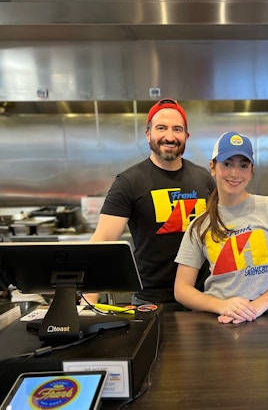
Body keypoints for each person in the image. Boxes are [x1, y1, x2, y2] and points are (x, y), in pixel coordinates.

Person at [89, 98, 215, 308]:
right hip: (150, 302)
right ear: (148, 134)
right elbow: (103, 241)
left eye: (177, 129)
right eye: (161, 128)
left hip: (202, 299)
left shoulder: (203, 178)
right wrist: (88, 298)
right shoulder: (129, 182)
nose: (170, 136)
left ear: (186, 136)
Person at [174, 131, 268, 324]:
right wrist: (222, 305)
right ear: (212, 167)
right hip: (219, 320)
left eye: (243, 166)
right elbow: (182, 289)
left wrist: (257, 306)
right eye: (227, 164)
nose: (235, 173)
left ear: (251, 171)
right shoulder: (199, 225)